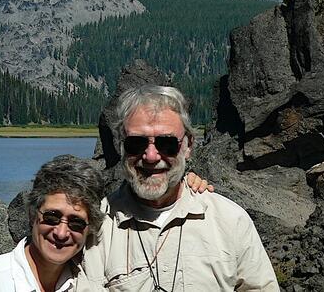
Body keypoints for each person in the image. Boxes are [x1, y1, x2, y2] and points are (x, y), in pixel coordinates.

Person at [83, 85, 279, 291]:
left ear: (188, 146)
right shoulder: (97, 228)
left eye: (166, 144)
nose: (151, 156)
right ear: (121, 147)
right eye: (136, 143)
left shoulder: (230, 220)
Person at [0, 156, 105, 291]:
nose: (61, 233)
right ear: (32, 214)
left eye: (76, 223)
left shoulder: (89, 286)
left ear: (90, 228)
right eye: (52, 217)